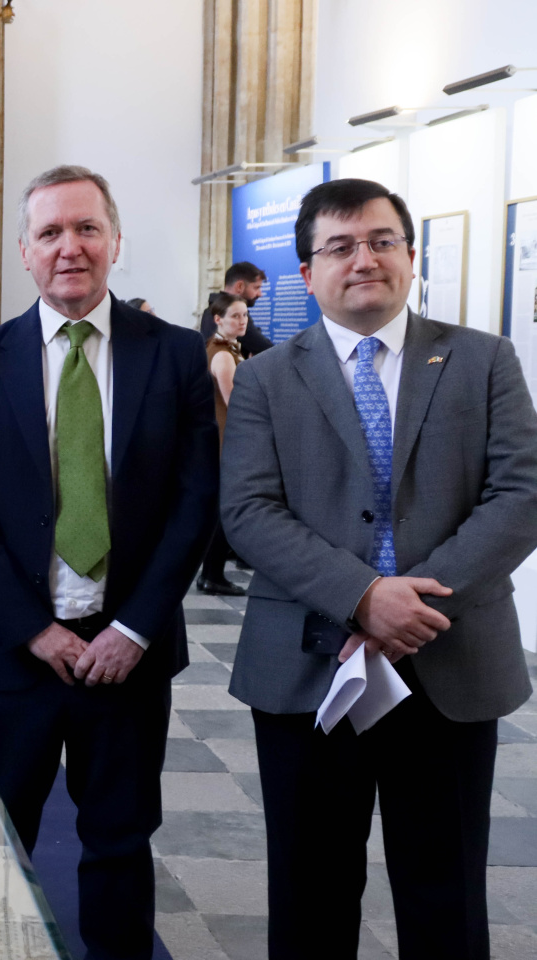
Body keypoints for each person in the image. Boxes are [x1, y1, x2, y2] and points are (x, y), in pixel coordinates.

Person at [222, 178, 537, 959]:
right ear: (306, 273)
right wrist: (364, 596)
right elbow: (249, 512)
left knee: (445, 890)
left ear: (410, 254)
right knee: (310, 890)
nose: (363, 259)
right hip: (307, 666)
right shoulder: (263, 377)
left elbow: (522, 492)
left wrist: (417, 604)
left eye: (381, 240)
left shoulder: (482, 360)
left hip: (450, 658)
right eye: (339, 246)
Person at [0, 165, 217, 959]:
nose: (70, 248)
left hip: (127, 654)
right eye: (51, 233)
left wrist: (132, 627)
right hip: (12, 656)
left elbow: (193, 505)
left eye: (87, 229)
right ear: (24, 250)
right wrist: (34, 630)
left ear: (115, 241)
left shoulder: (175, 356)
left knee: (121, 844)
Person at [196, 291, 249, 596]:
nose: (242, 321)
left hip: (222, 439)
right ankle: (212, 575)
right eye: (235, 316)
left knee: (222, 510)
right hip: (225, 440)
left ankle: (212, 573)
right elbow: (235, 404)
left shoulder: (222, 349)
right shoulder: (223, 354)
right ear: (218, 320)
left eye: (244, 315)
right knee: (222, 511)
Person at [201, 261, 274, 355]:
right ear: (240, 286)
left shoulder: (210, 310)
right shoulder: (223, 357)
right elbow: (263, 347)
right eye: (256, 288)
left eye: (244, 315)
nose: (260, 294)